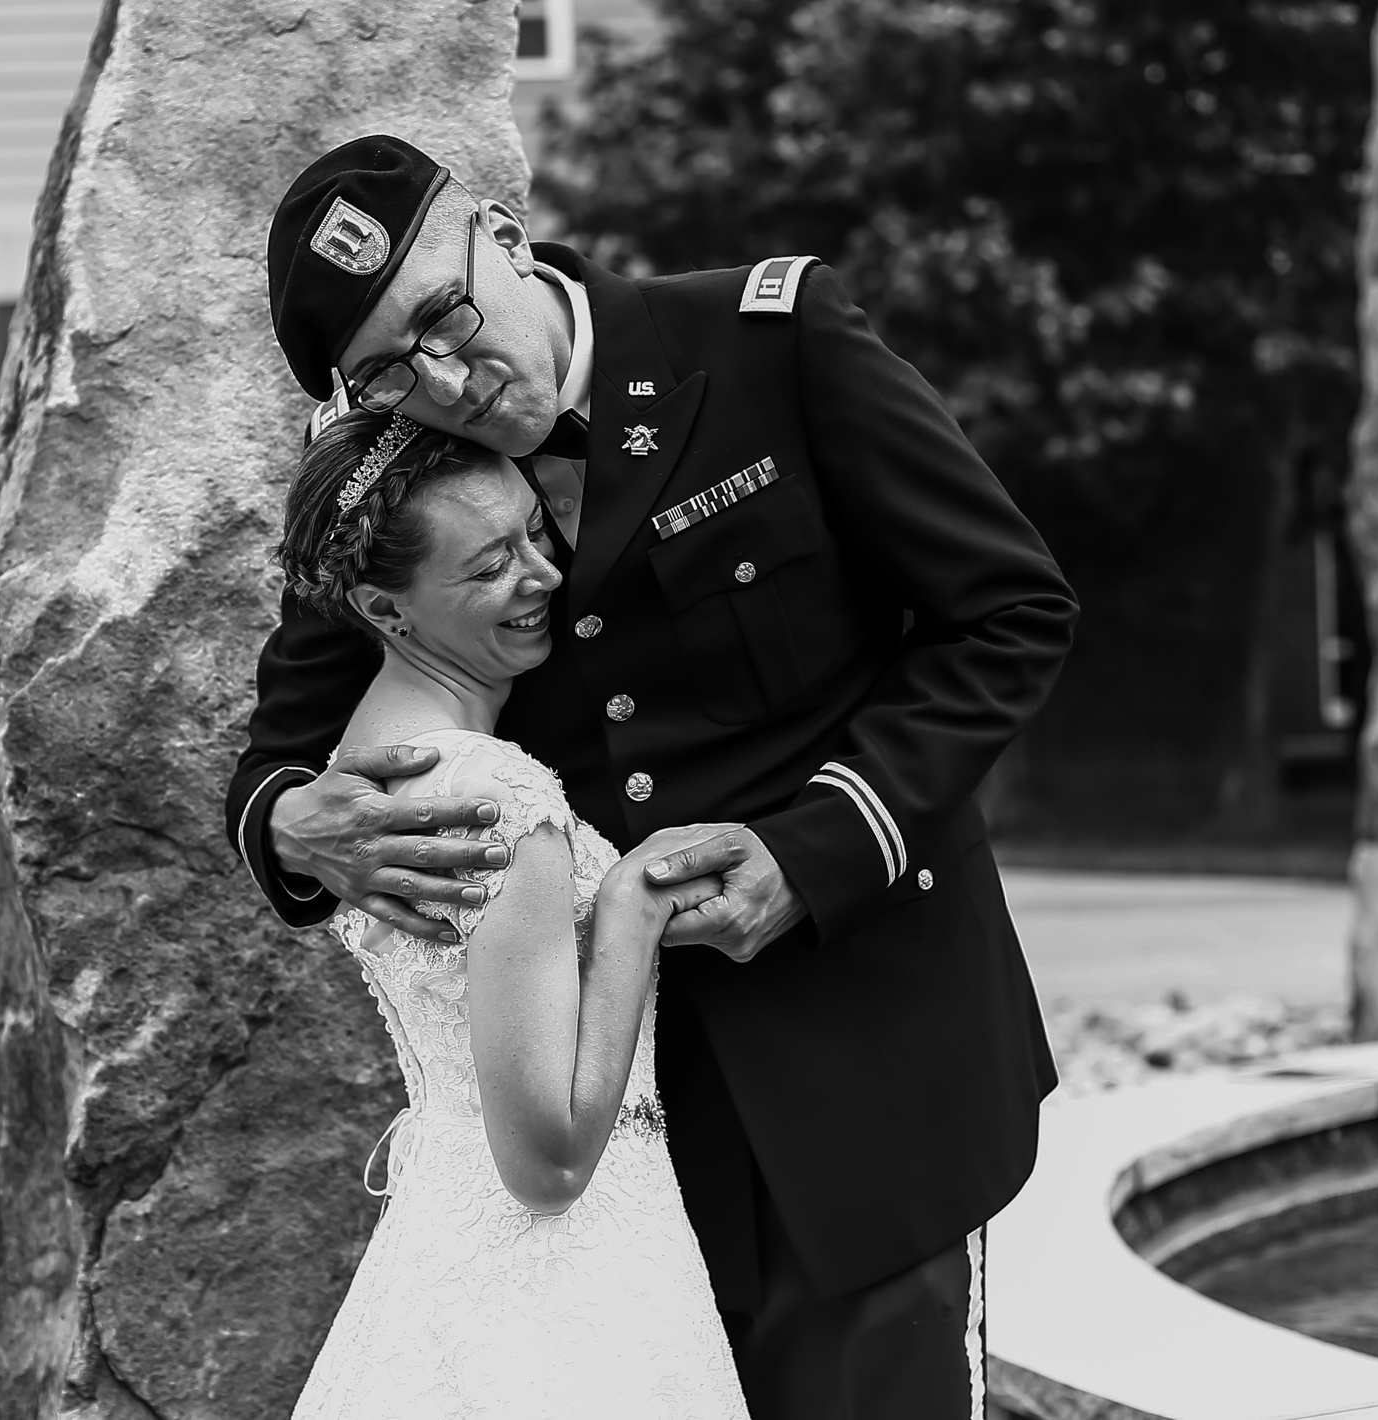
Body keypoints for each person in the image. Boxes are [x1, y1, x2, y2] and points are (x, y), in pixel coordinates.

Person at [225, 135, 1076, 1419]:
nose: (446, 378)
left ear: (503, 235)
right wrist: (297, 827)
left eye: (446, 319)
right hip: (623, 1126)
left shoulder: (764, 340)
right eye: (395, 367)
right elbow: (278, 757)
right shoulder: (399, 485)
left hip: (867, 1048)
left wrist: (816, 847)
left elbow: (1006, 611)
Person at [276, 413, 748, 1417]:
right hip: (566, 1277)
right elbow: (550, 1160)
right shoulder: (494, 796)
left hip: (446, 1242)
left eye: (535, 531)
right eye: (492, 564)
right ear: (384, 609)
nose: (543, 574)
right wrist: (629, 902)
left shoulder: (364, 765)